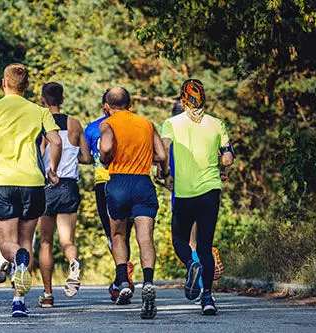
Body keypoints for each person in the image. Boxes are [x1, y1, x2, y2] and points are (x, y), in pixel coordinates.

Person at [0, 63, 62, 317]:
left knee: (8, 243)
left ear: (3, 83)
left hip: (1, 180)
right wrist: (52, 169)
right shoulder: (39, 111)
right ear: (27, 86)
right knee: (26, 241)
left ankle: (17, 260)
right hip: (32, 181)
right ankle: (18, 301)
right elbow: (56, 140)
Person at [160, 79, 234, 315]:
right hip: (211, 192)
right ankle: (208, 298)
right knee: (205, 244)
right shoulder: (217, 123)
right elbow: (228, 158)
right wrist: (222, 167)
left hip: (184, 193)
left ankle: (191, 264)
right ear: (204, 98)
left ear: (183, 100)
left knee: (179, 240)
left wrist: (165, 173)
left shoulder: (171, 123)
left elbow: (162, 151)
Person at [99, 87, 167, 319]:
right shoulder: (146, 123)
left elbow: (106, 148)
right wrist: (162, 170)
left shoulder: (108, 124)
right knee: (145, 235)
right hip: (142, 183)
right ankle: (148, 281)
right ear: (130, 103)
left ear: (107, 106)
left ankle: (123, 280)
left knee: (118, 234)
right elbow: (161, 154)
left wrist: (106, 159)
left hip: (118, 183)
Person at [37, 82, 93, 307]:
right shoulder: (74, 124)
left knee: (45, 243)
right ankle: (73, 262)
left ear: (43, 100)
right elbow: (87, 158)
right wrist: (72, 158)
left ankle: (48, 295)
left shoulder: (40, 124)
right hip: (69, 186)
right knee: (67, 240)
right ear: (62, 99)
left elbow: (38, 153)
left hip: (46, 187)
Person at [84, 89, 134, 302]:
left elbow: (86, 157)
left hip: (104, 183)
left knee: (113, 234)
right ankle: (121, 277)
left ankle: (119, 279)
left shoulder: (93, 127)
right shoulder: (136, 124)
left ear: (105, 105)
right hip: (131, 181)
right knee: (126, 233)